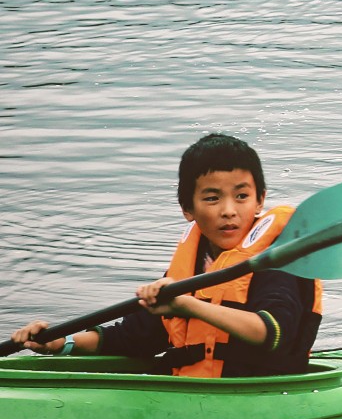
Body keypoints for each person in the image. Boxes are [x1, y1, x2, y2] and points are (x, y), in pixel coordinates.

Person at [8, 133, 323, 377]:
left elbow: (272, 332)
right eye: (212, 199)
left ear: (260, 201)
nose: (229, 211)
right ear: (188, 209)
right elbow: (135, 337)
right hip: (193, 389)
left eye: (241, 196)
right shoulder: (191, 263)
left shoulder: (278, 259)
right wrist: (61, 343)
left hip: (266, 392)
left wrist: (187, 304)